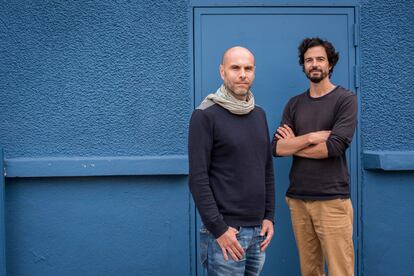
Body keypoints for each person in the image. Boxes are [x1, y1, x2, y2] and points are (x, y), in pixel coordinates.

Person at [272, 38, 357, 276]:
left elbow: (333, 148)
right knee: (309, 271)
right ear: (304, 66)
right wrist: (311, 137)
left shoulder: (345, 100)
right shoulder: (294, 104)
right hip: (298, 199)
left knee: (341, 271)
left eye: (320, 59)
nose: (314, 64)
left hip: (332, 200)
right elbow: (276, 148)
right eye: (309, 60)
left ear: (330, 64)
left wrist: (293, 144)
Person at [188, 46, 275, 275]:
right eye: (235, 67)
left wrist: (269, 216)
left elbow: (266, 168)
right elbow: (198, 179)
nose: (242, 74)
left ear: (254, 72)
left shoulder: (259, 114)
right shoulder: (205, 115)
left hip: (258, 232)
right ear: (222, 71)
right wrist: (219, 229)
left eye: (248, 68)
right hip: (226, 234)